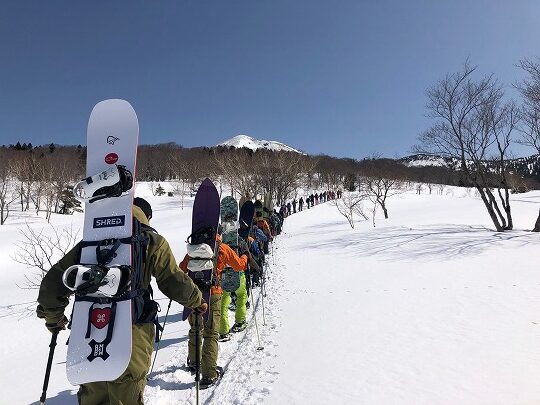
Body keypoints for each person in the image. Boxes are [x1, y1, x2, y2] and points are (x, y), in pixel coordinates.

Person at [37, 197, 205, 405]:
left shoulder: (91, 241)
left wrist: (53, 318)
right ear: (147, 216)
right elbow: (173, 280)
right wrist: (197, 300)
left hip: (87, 337)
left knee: (93, 391)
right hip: (131, 338)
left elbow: (54, 282)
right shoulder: (151, 240)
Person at [180, 227, 249, 388]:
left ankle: (194, 362)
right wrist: (245, 255)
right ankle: (209, 374)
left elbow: (181, 269)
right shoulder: (222, 248)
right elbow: (239, 266)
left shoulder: (194, 249)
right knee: (211, 333)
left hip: (193, 294)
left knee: (195, 329)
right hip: (213, 293)